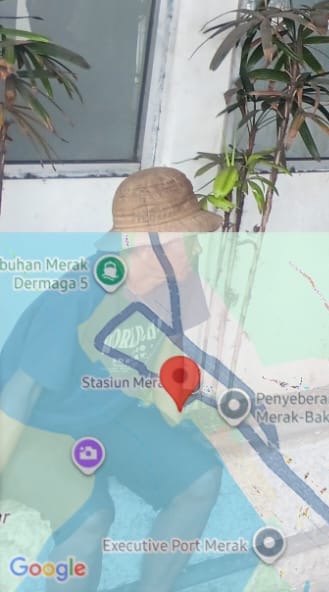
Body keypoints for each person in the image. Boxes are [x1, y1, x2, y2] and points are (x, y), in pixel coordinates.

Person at [0, 168, 224, 592]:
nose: (197, 247)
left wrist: (183, 414)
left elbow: (167, 354)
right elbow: (20, 393)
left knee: (201, 479)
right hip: (39, 425)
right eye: (188, 237)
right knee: (91, 518)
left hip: (107, 415)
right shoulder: (80, 292)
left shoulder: (179, 283)